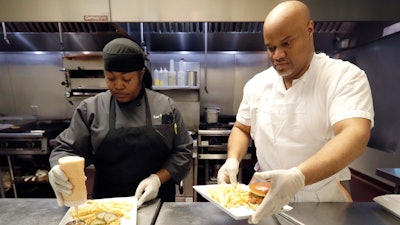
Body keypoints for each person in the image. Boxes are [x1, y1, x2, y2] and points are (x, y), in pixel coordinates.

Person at [217, 1, 374, 224]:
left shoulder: (343, 77)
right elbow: (242, 128)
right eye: (271, 48)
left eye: (286, 43)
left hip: (321, 200)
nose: (278, 55)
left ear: (309, 30)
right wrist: (232, 160)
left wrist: (297, 177)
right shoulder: (257, 84)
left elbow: (355, 135)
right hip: (262, 196)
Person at [48, 38, 193, 208]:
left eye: (126, 79)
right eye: (111, 78)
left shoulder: (165, 106)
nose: (118, 86)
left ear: (141, 74)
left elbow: (183, 151)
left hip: (158, 202)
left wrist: (157, 179)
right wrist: (59, 168)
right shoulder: (91, 109)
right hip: (107, 204)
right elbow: (67, 148)